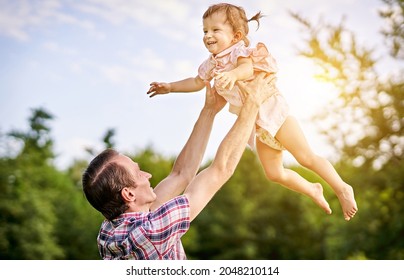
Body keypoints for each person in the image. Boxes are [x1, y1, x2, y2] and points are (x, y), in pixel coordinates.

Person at [147, 3, 358, 221]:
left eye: (215, 30)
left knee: (306, 157)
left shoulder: (239, 51)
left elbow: (246, 68)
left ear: (236, 35)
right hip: (257, 125)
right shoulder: (211, 64)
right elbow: (196, 82)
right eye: (205, 31)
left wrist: (234, 76)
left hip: (273, 111)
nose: (208, 35)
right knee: (274, 173)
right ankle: (312, 189)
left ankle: (342, 188)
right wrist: (170, 87)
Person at [82, 73, 274, 260]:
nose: (148, 175)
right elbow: (220, 170)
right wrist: (252, 103)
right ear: (129, 194)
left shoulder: (110, 232)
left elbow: (181, 174)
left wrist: (209, 110)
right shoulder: (151, 233)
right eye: (139, 173)